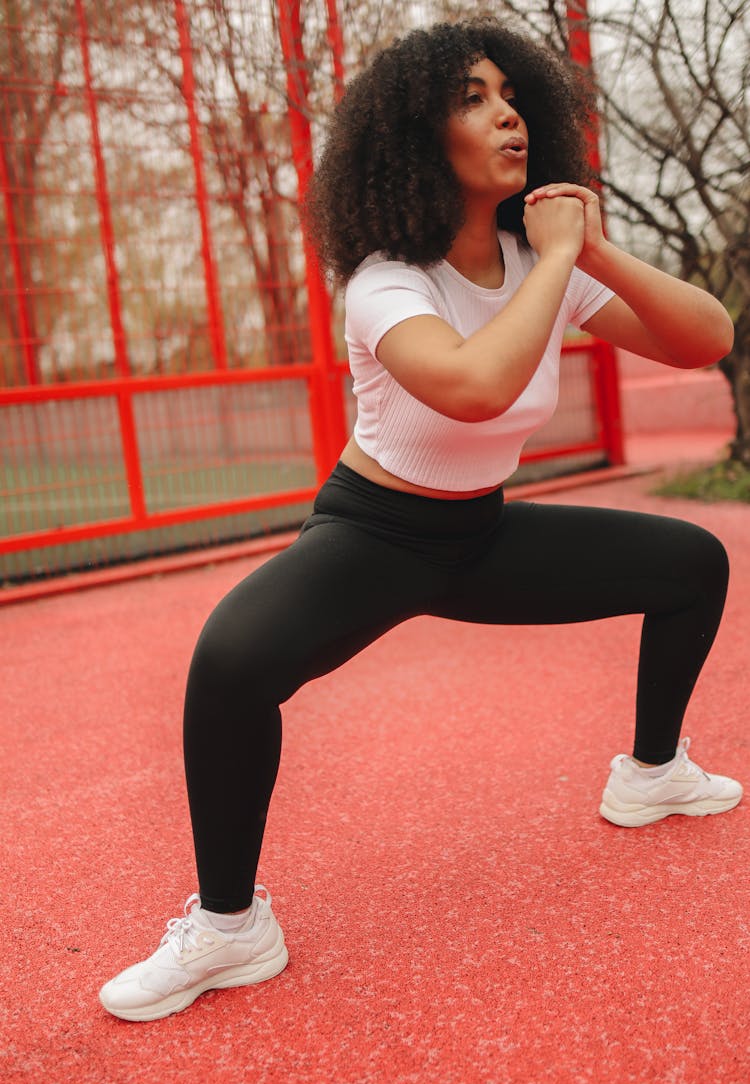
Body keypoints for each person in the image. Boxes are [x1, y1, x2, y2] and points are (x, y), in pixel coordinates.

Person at [99, 18, 741, 1022]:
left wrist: (594, 254)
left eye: (510, 93)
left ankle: (651, 774)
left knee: (693, 564)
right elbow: (474, 390)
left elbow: (708, 337)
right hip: (376, 536)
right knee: (228, 665)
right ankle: (229, 929)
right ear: (415, 139)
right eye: (472, 99)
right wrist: (553, 268)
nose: (508, 114)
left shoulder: (547, 260)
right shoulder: (384, 280)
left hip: (481, 536)